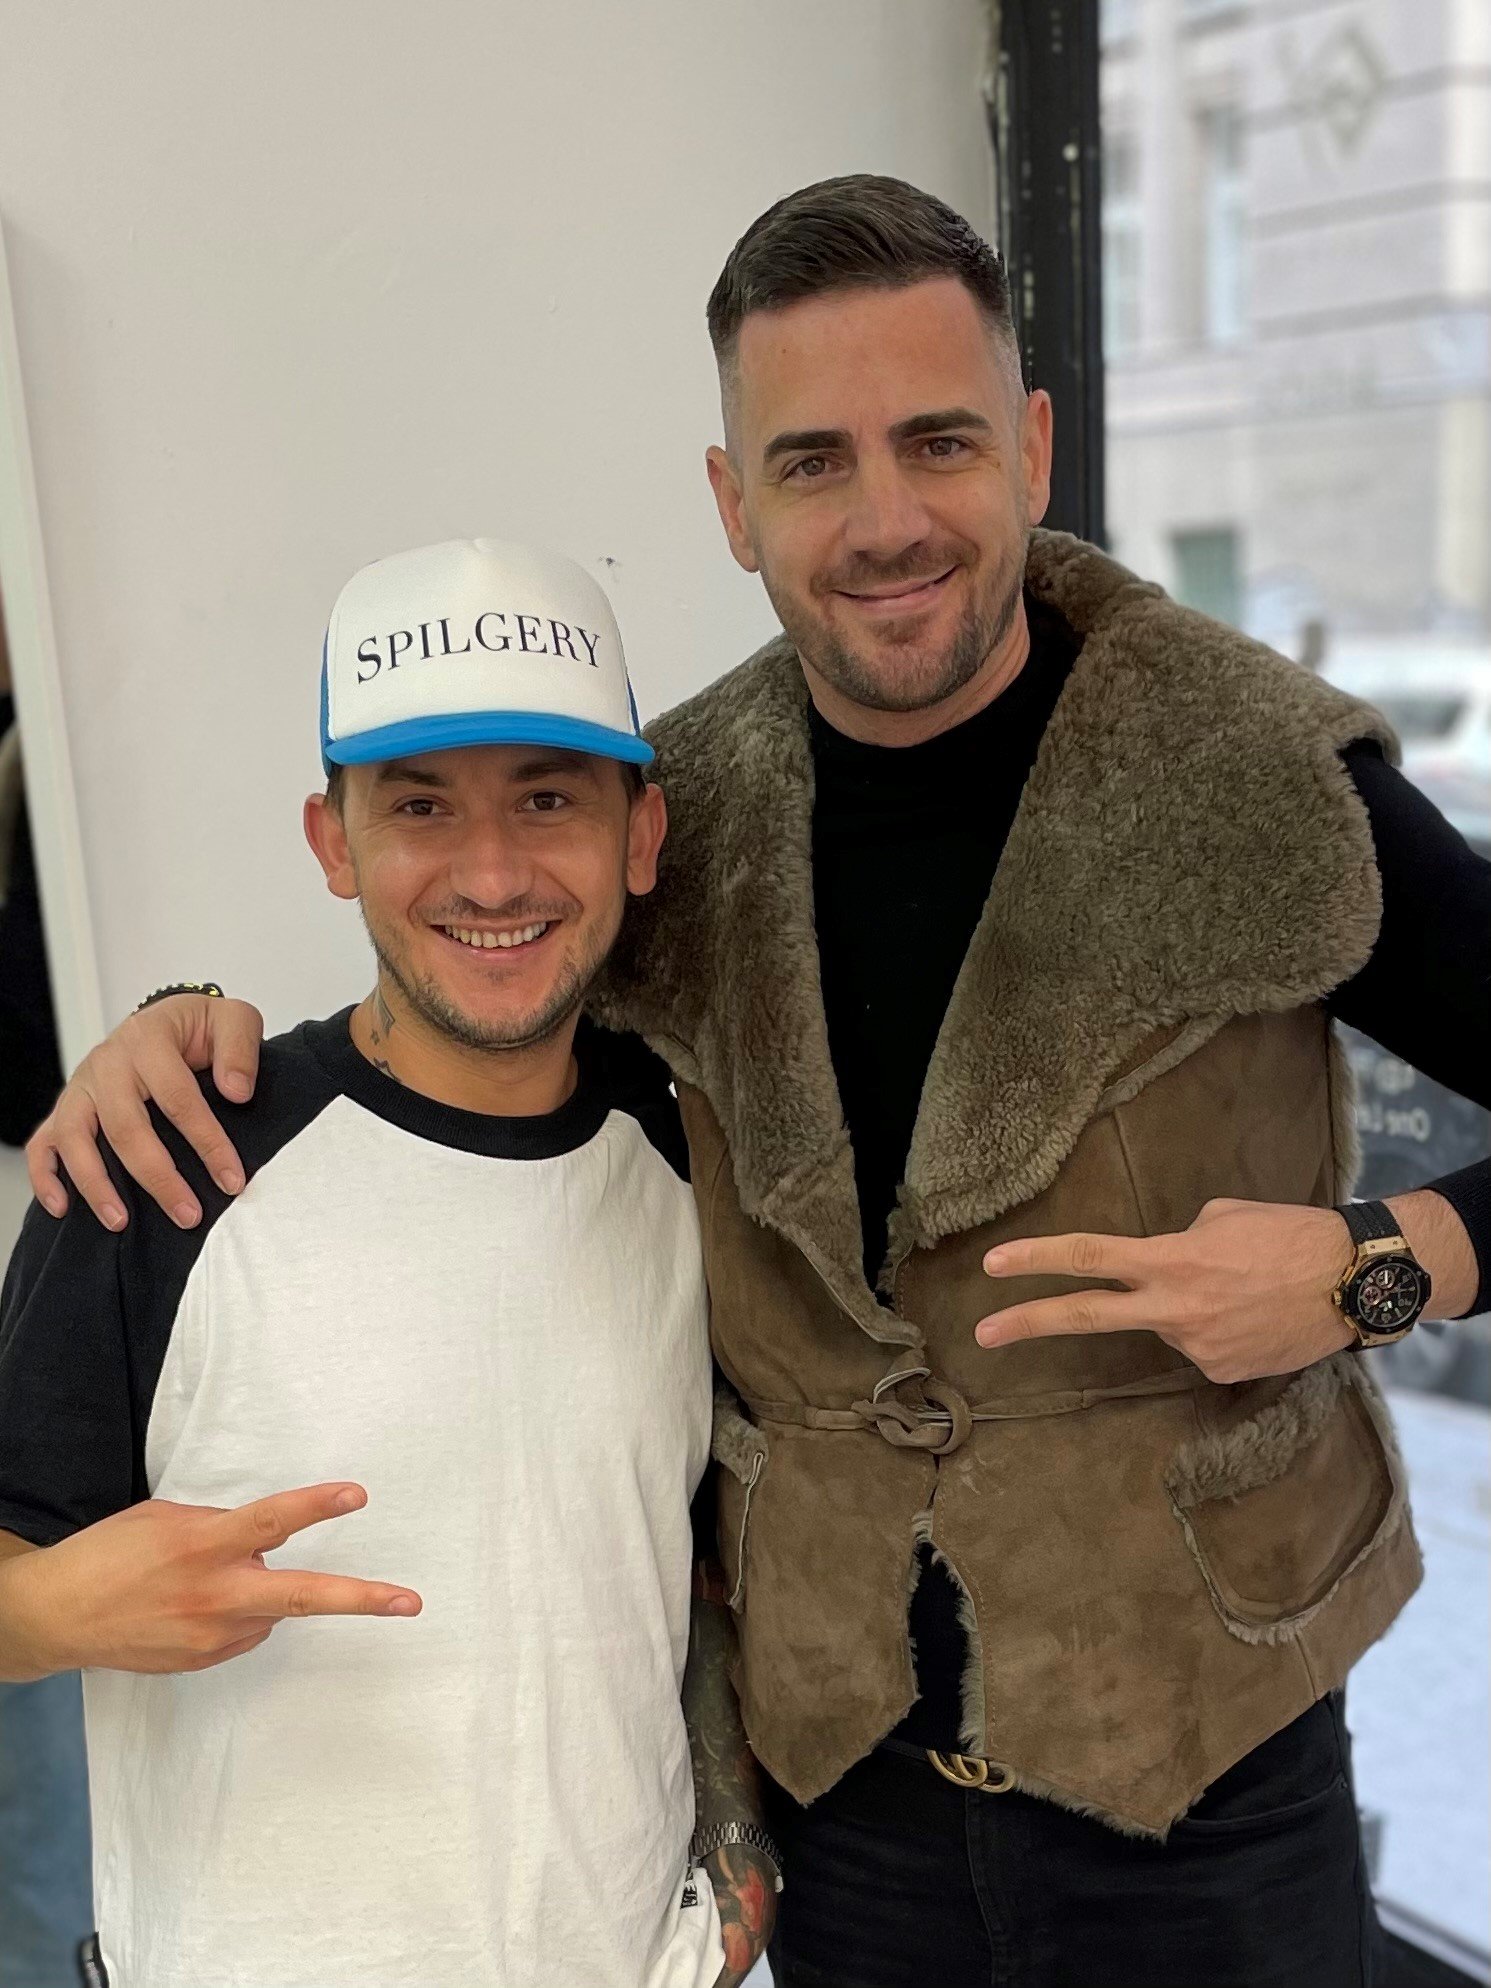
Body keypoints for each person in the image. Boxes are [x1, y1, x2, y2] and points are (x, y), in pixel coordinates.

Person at [30, 179, 1491, 1987]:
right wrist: (181, 1022)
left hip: (1210, 1776)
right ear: (734, 504)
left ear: (1034, 448)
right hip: (842, 1811)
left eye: (938, 440)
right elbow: (477, 973)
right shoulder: (680, 810)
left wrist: (1374, 1270)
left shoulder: (1251, 772)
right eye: (812, 462)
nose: (885, 520)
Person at [0, 538, 776, 1988]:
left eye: (548, 798)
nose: (492, 872)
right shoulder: (165, 1165)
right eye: (421, 806)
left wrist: (739, 1862)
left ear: (641, 833)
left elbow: (703, 1568)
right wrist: (47, 1613)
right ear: (334, 842)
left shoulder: (700, 1167)